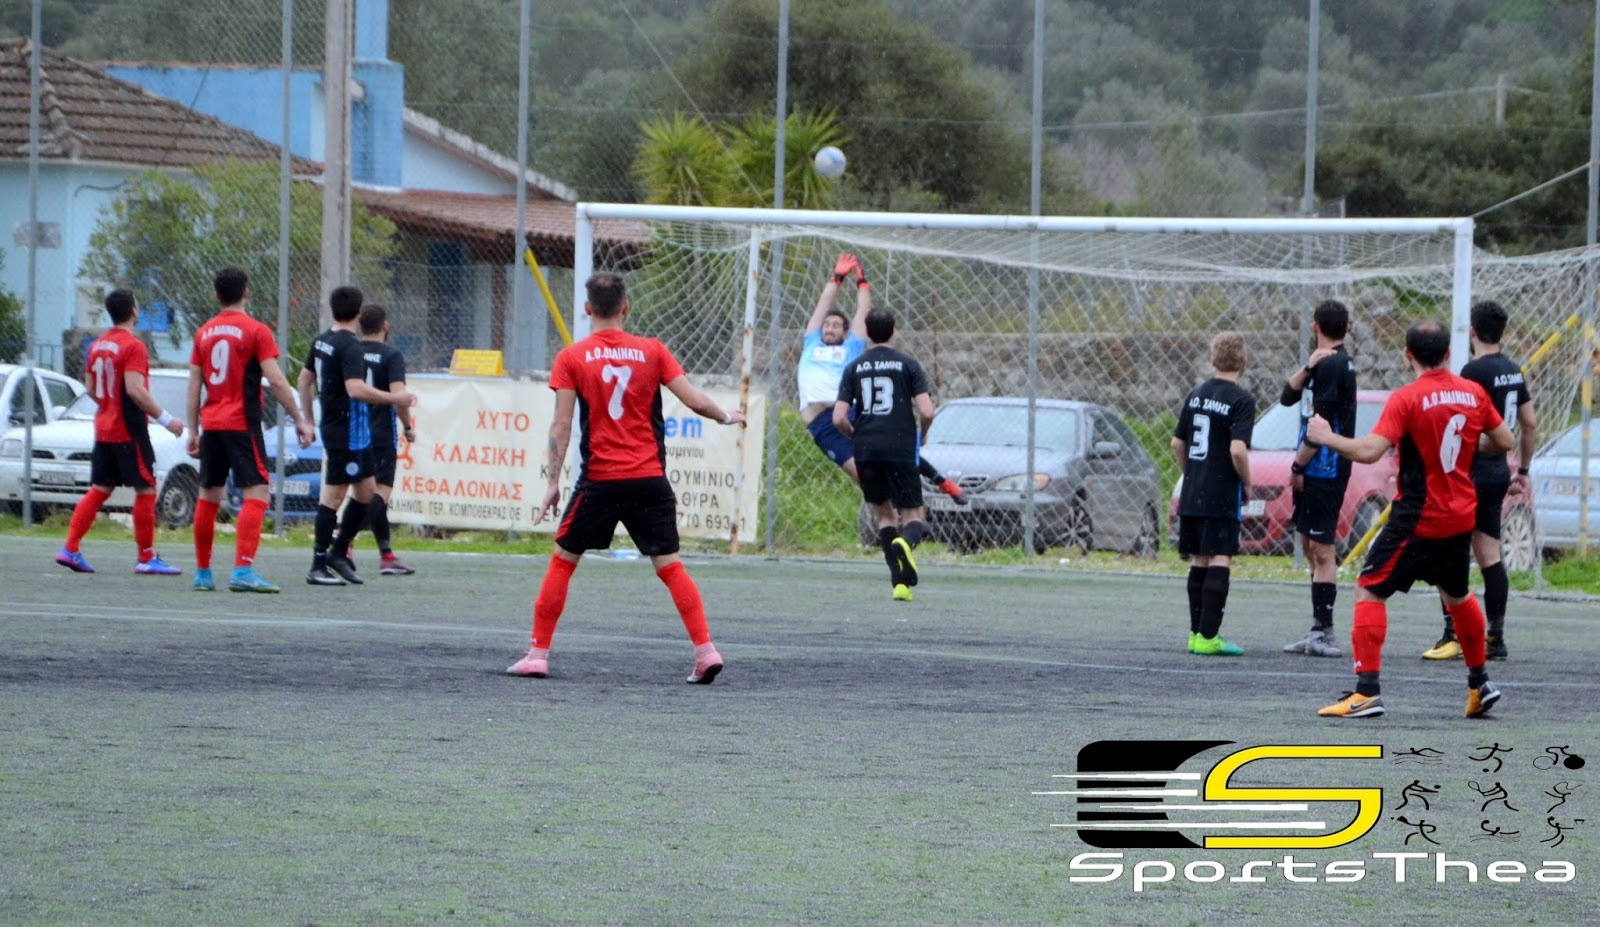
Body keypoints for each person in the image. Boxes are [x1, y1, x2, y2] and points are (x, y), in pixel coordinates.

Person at [506, 272, 746, 683]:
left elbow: (561, 425)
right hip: (649, 478)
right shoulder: (652, 351)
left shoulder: (572, 357)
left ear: (587, 309)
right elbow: (693, 400)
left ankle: (538, 655)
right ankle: (706, 651)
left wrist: (552, 483)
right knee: (670, 566)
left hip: (600, 481)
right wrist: (726, 416)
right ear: (626, 307)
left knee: (563, 560)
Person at [1306, 319, 1514, 719]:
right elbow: (1505, 440)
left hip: (1419, 516)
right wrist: (1468, 443)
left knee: (1369, 589)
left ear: (1407, 355)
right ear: (1448, 354)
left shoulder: (1407, 398)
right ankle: (1480, 682)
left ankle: (1366, 692)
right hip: (1460, 515)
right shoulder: (1473, 393)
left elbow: (1370, 451)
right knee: (1457, 596)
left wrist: (1326, 436)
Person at [187, 266, 316, 593]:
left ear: (216, 295)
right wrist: (300, 418)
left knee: (208, 497)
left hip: (211, 424)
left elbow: (194, 385)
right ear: (246, 292)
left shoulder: (203, 333)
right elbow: (276, 381)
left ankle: (202, 574)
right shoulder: (256, 330)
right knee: (257, 493)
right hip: (241, 423)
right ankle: (242, 570)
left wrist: (193, 430)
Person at [1422, 300, 1536, 662]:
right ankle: (1496, 637)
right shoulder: (1514, 370)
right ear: (1503, 332)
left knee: (1449, 551)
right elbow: (1529, 423)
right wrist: (1522, 471)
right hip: (1499, 471)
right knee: (1490, 554)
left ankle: (1453, 633)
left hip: (1469, 472)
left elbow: (1460, 422)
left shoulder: (1472, 371)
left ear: (1472, 331)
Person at [801, 253, 965, 503]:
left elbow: (863, 312)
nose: (829, 328)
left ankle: (941, 482)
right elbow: (823, 304)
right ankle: (897, 514)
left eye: (835, 325)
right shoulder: (812, 343)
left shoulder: (851, 348)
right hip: (823, 424)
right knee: (866, 478)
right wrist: (836, 278)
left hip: (849, 413)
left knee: (896, 447)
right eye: (827, 324)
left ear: (845, 332)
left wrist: (862, 282)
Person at [55, 289, 186, 575]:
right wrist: (166, 419)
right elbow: (135, 390)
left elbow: (91, 388)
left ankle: (70, 548)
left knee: (100, 489)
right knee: (146, 488)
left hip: (104, 428)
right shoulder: (134, 346)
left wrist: (110, 405)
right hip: (128, 429)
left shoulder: (97, 345)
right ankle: (146, 557)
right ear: (134, 311)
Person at [297, 285, 418, 586]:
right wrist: (395, 398)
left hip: (356, 431)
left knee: (366, 493)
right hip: (346, 431)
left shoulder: (323, 339)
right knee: (334, 496)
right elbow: (355, 389)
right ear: (358, 312)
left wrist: (309, 419)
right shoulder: (349, 345)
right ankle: (318, 564)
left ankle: (339, 553)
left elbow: (304, 379)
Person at [834, 306, 935, 602]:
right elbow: (927, 411)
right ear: (893, 331)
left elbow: (838, 418)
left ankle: (899, 583)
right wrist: (922, 436)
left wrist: (858, 437)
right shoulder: (908, 364)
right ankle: (907, 542)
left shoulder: (853, 367)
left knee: (884, 515)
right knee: (914, 514)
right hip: (899, 446)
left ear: (867, 333)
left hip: (866, 449)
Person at [1280, 299, 1358, 658]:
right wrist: (1308, 365)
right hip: (1315, 467)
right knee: (1310, 546)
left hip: (1324, 468)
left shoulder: (1336, 366)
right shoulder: (1322, 363)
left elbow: (1319, 427)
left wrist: (1297, 468)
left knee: (1322, 549)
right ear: (1348, 328)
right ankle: (1316, 628)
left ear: (1315, 327)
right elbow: (1286, 397)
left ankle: (1325, 632)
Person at [1169, 331, 1255, 656]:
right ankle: (1209, 636)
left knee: (1200, 558)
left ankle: (1195, 634)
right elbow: (1237, 450)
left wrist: (1191, 472)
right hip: (1221, 492)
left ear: (1212, 360)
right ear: (1243, 361)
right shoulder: (1241, 400)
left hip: (1193, 491)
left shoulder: (1196, 394)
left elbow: (1177, 443)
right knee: (1220, 556)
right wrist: (1246, 482)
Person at [327, 304, 417, 576]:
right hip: (381, 433)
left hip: (353, 431)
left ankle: (384, 553)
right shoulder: (391, 355)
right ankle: (346, 540)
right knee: (378, 495)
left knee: (362, 494)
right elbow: (399, 397)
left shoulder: (351, 349)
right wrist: (407, 425)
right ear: (385, 326)